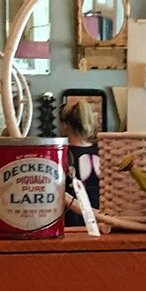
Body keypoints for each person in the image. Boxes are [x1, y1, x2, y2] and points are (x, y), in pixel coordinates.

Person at [60, 97, 100, 227]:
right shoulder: (103, 153)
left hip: (71, 226)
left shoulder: (61, 155)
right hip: (102, 224)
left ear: (65, 125)